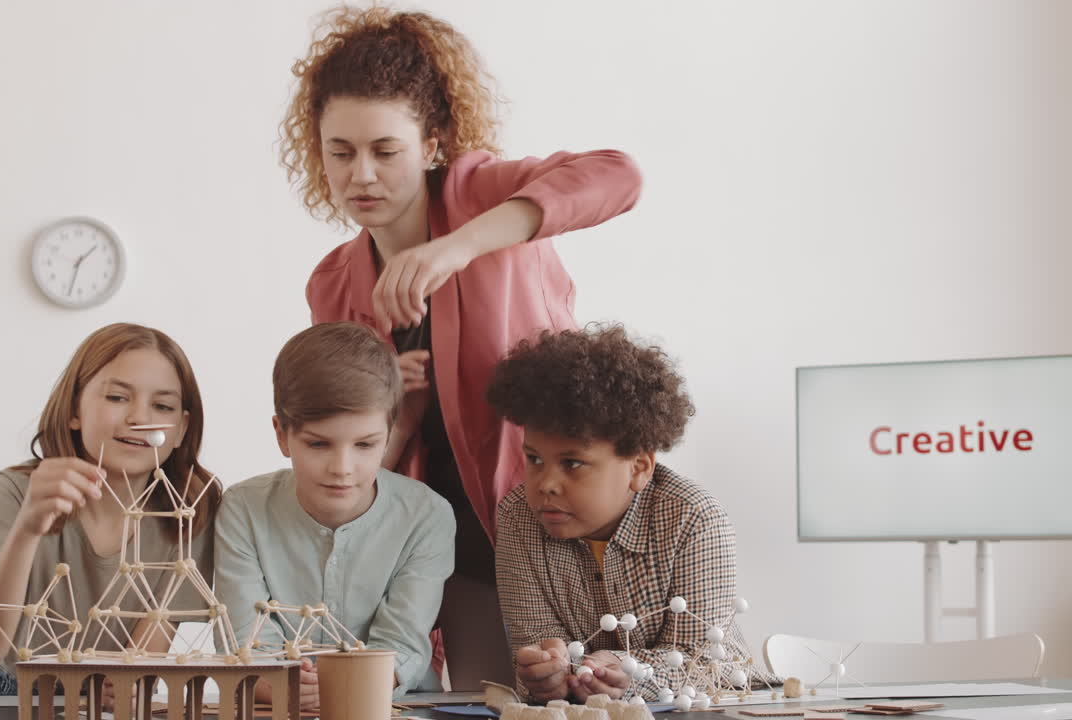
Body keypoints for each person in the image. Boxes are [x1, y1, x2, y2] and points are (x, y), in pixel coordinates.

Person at [280, 4, 643, 687]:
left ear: (433, 142)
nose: (361, 175)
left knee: (592, 698)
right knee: (482, 705)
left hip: (558, 529)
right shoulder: (334, 286)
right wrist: (393, 407)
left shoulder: (482, 196)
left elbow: (618, 175)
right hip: (449, 554)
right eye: (341, 151)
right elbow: (353, 457)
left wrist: (460, 245)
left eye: (385, 151)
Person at [488, 324, 752, 702]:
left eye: (573, 464)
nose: (546, 483)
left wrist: (631, 671)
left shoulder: (694, 519)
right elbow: (532, 649)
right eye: (533, 459)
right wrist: (543, 671)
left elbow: (706, 662)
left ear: (639, 467)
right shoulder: (518, 520)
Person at [0, 323, 218, 695]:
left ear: (180, 429)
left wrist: (122, 687)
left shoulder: (190, 513)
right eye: (117, 398)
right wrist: (29, 526)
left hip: (103, 696)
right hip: (1, 689)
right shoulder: (16, 492)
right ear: (73, 410)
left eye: (162, 406)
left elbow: (140, 666)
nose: (139, 418)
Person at [215, 322, 454, 707]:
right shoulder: (242, 509)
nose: (342, 467)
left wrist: (344, 686)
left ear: (389, 432)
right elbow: (244, 638)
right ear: (282, 435)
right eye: (318, 443)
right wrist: (276, 682)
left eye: (365, 444)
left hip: (392, 706)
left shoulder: (426, 516)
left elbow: (403, 642)